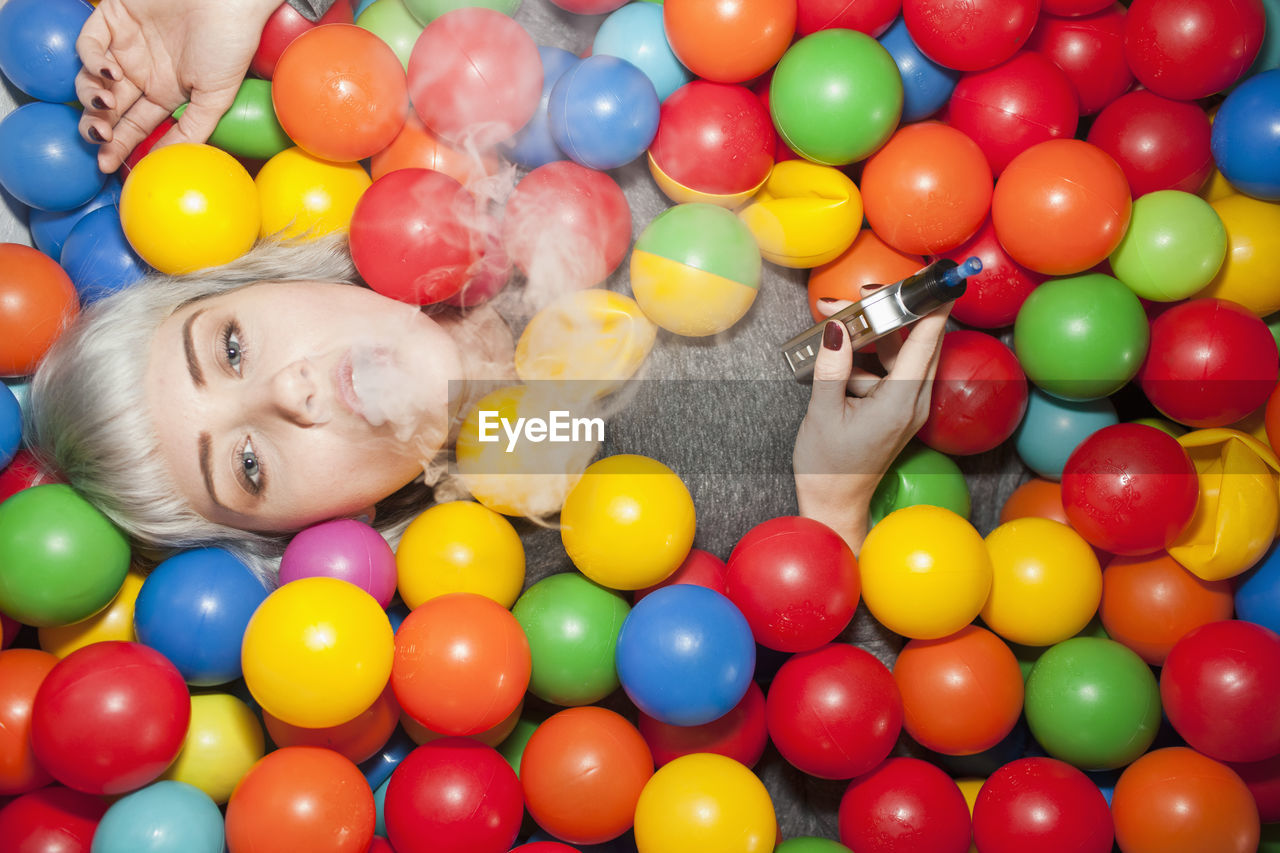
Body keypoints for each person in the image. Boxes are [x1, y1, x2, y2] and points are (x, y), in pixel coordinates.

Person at [32, 0, 1027, 839]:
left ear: (266, 277)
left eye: (234, 347)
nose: (288, 394)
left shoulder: (465, 150)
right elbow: (814, 801)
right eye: (246, 463)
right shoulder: (510, 626)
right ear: (292, 538)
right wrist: (835, 508)